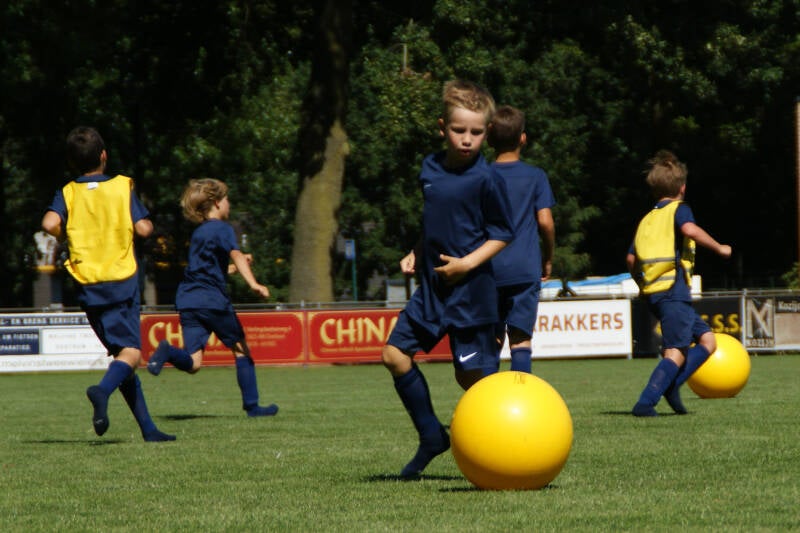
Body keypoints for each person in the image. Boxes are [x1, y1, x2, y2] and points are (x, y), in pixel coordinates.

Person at [381, 80, 514, 478]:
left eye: (477, 132)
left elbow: (503, 234)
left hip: (472, 295)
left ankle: (509, 449)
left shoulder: (487, 178)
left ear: (487, 132)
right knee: (394, 355)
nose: (467, 139)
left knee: (473, 380)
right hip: (432, 291)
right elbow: (435, 222)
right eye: (459, 130)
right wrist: (416, 250)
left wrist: (466, 265)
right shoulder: (429, 168)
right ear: (443, 128)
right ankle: (432, 437)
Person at [41, 126, 175, 442]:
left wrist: (66, 235)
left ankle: (148, 429)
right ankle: (101, 391)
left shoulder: (68, 192)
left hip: (87, 283)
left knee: (120, 355)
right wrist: (146, 223)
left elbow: (49, 222)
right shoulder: (121, 186)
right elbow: (143, 229)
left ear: (72, 162)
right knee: (132, 354)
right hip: (120, 279)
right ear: (104, 155)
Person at [146, 178, 279, 417]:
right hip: (212, 300)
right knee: (241, 350)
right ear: (217, 202)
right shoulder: (223, 228)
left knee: (194, 363)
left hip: (188, 300)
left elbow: (211, 269)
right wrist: (254, 283)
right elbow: (235, 254)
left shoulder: (199, 233)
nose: (229, 204)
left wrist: (236, 267)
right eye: (227, 199)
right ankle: (253, 407)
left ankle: (167, 351)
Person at [628, 150, 732, 416]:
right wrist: (719, 247)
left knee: (708, 340)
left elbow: (631, 259)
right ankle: (645, 403)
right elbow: (689, 230)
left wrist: (642, 285)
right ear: (682, 188)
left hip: (655, 292)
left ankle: (672, 386)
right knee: (675, 351)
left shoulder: (647, 220)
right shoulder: (679, 210)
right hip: (673, 291)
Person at [487, 105, 556, 373]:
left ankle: (486, 397)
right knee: (520, 340)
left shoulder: (481, 176)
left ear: (489, 137)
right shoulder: (536, 176)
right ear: (523, 138)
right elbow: (545, 222)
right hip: (525, 269)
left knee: (491, 341)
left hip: (487, 269)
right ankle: (520, 395)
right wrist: (548, 258)